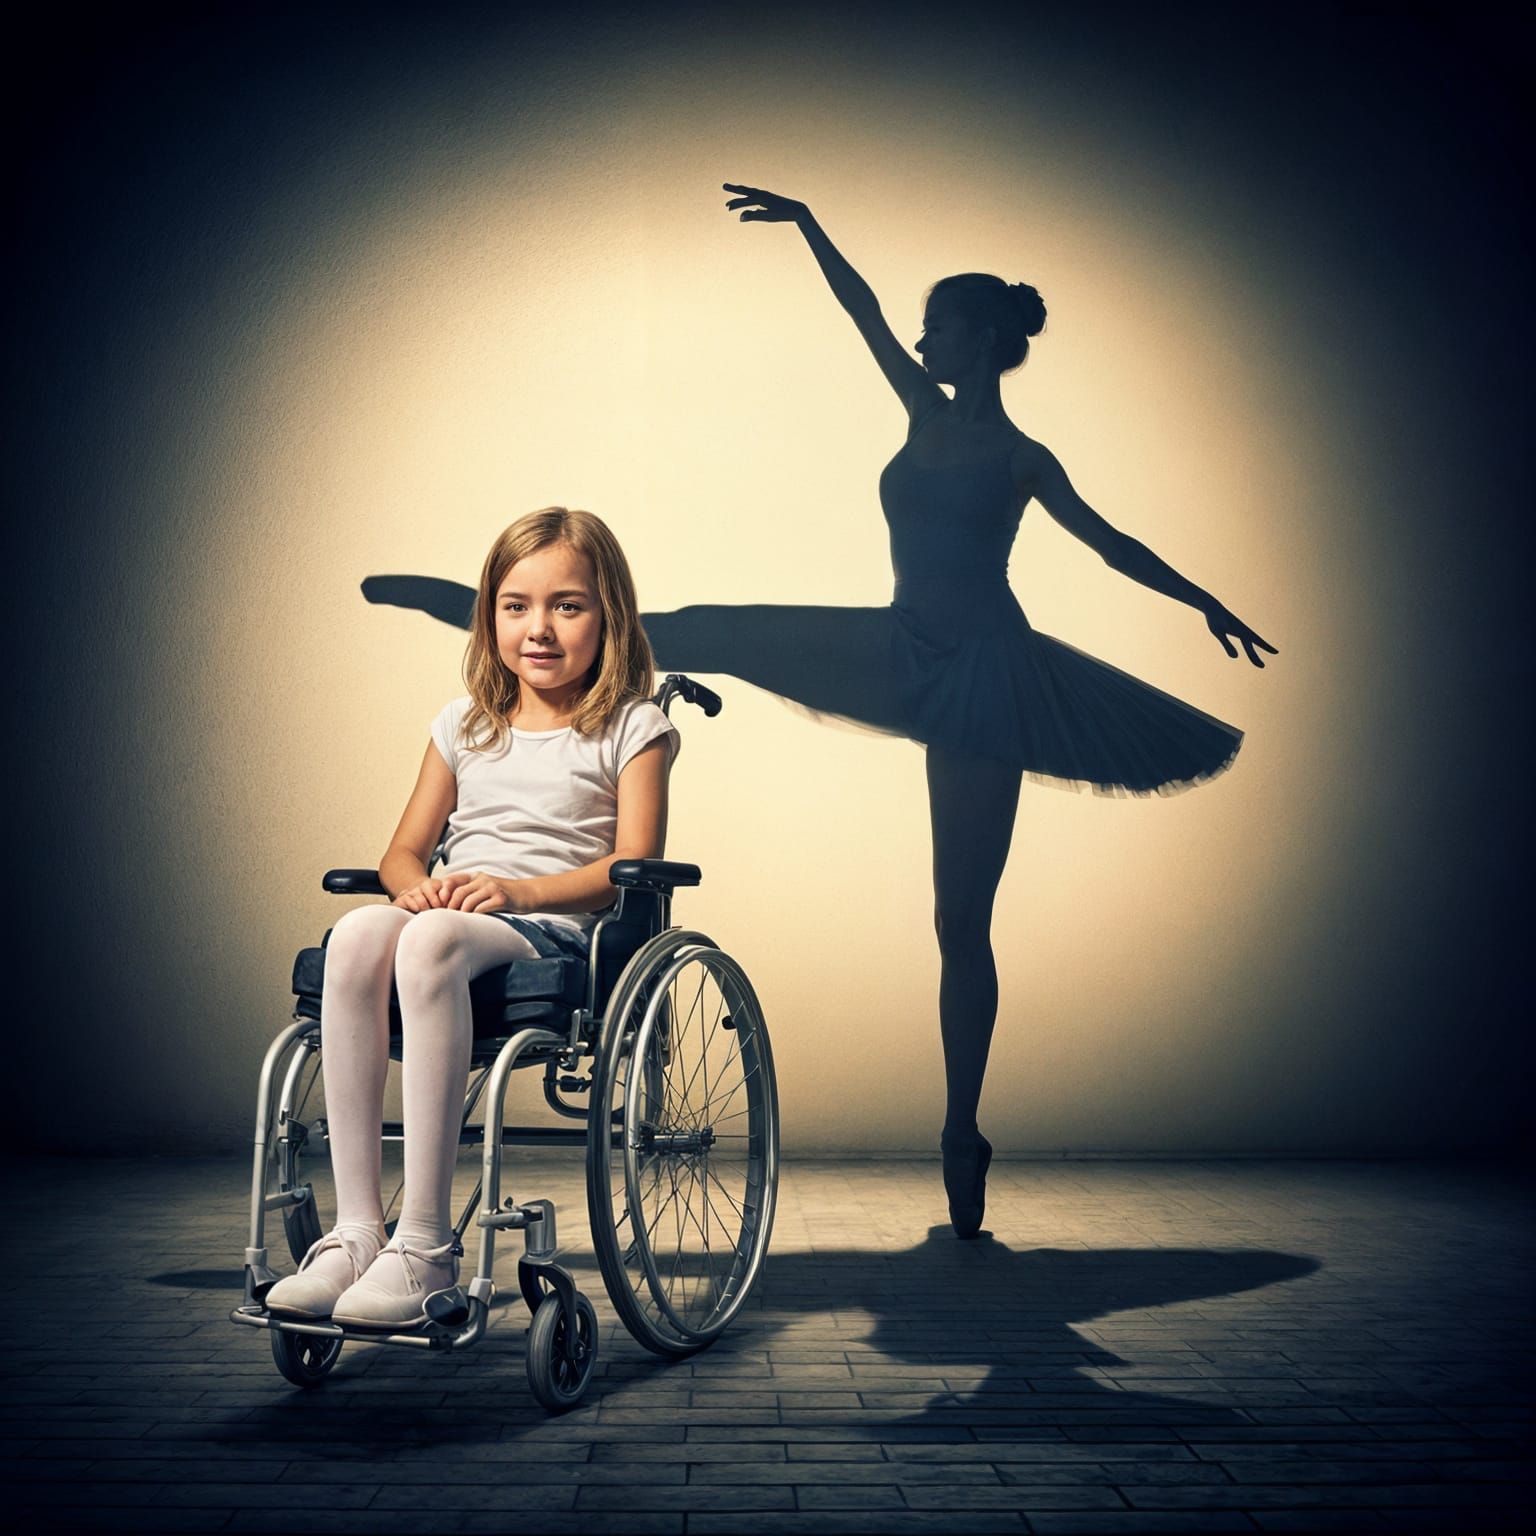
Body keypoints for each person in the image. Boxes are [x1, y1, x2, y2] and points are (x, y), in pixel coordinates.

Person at [643, 184, 1277, 1239]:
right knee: (720, 625)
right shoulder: (923, 414)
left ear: (979, 337)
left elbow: (1110, 544)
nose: (923, 335)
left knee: (958, 921)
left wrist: (1202, 598)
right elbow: (862, 317)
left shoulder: (1023, 458)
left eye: (939, 322)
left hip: (986, 674)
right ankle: (525, 618)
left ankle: (961, 1130)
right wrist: (810, 225)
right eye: (925, 322)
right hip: (901, 647)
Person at [266, 507, 679, 1327]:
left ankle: (424, 1243)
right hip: (453, 912)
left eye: (569, 605)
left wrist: (516, 892)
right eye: (516, 605)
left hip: (558, 927)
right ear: (489, 616)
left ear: (611, 617)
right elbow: (401, 854)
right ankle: (357, 1234)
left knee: (431, 940)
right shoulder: (463, 725)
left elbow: (627, 866)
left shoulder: (635, 727)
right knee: (355, 936)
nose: (540, 629)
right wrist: (415, 886)